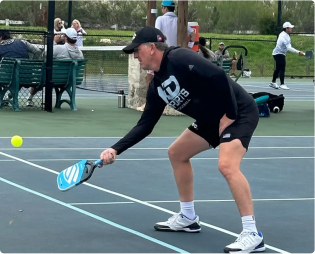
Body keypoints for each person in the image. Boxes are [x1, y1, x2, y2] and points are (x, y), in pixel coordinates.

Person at [99, 26, 265, 254]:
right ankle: (188, 218)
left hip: (238, 112)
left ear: (151, 48)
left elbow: (218, 75)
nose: (135, 56)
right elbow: (145, 125)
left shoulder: (179, 57)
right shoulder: (157, 85)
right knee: (177, 153)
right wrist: (115, 149)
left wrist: (230, 114)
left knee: (226, 165)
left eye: (136, 51)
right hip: (210, 119)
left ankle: (252, 233)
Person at [27, 28, 84, 106]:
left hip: (54, 78)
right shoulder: (80, 53)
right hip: (72, 79)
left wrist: (54, 42)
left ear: (66, 38)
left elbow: (45, 54)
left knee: (41, 75)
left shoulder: (59, 48)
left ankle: (29, 98)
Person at [270, 21, 304, 90]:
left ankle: (273, 82)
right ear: (286, 28)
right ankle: (282, 84)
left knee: (278, 68)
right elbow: (289, 48)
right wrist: (298, 52)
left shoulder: (286, 35)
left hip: (279, 53)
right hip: (278, 53)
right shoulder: (283, 36)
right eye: (290, 28)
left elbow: (288, 47)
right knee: (282, 68)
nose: (291, 29)